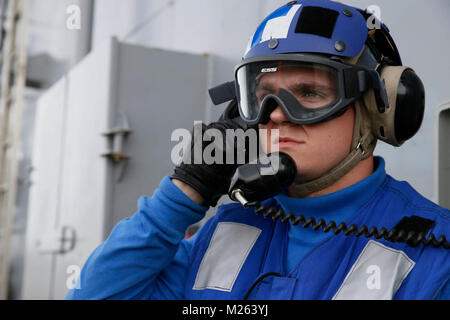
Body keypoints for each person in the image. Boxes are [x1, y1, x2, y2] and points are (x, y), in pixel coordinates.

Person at [66, 0, 449, 300]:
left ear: (376, 108)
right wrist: (187, 189)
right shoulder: (224, 231)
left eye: (310, 93)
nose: (277, 116)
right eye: (264, 97)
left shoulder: (435, 250)